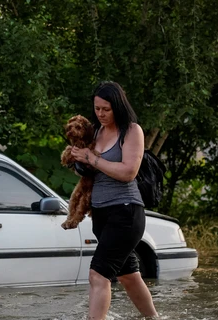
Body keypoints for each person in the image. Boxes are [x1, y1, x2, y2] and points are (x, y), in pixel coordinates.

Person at [68, 81, 158, 319]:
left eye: (106, 109)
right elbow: (90, 171)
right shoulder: (96, 132)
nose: (100, 114)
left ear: (118, 105)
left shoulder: (131, 131)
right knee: (129, 276)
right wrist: (80, 160)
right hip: (101, 213)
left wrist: (92, 158)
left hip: (126, 213)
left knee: (98, 274)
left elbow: (128, 171)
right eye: (97, 109)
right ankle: (154, 319)